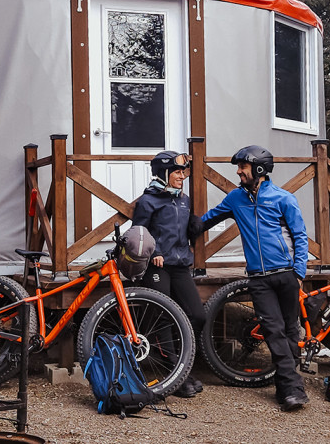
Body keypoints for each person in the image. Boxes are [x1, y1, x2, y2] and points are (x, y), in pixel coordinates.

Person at [199, 145, 309, 411]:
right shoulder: (236, 198)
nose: (238, 172)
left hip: (286, 274)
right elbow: (206, 220)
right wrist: (175, 227)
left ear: (258, 169)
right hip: (259, 279)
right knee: (273, 331)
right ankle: (294, 389)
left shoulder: (283, 199)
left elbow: (300, 237)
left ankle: (287, 387)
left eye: (242, 168)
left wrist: (299, 273)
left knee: (290, 331)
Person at [131, 151, 206, 398]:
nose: (182, 177)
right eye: (176, 172)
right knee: (163, 316)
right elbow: (138, 233)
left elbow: (181, 227)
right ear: (164, 174)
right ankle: (175, 373)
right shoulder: (147, 201)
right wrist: (155, 252)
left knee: (197, 315)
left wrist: (195, 226)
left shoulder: (182, 199)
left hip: (180, 264)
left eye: (183, 172)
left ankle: (182, 366)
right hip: (157, 266)